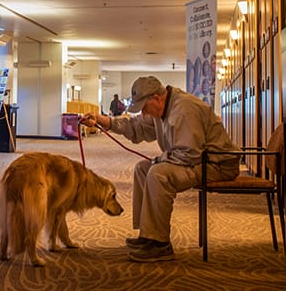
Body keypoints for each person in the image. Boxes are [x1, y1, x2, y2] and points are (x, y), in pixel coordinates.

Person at [81, 76, 240, 263]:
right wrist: (103, 121)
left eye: (144, 107)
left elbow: (190, 154)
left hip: (216, 165)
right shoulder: (162, 108)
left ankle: (160, 244)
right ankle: (148, 234)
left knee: (158, 174)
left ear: (157, 98)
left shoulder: (183, 110)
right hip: (196, 160)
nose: (144, 113)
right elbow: (136, 126)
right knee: (142, 168)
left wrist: (159, 160)